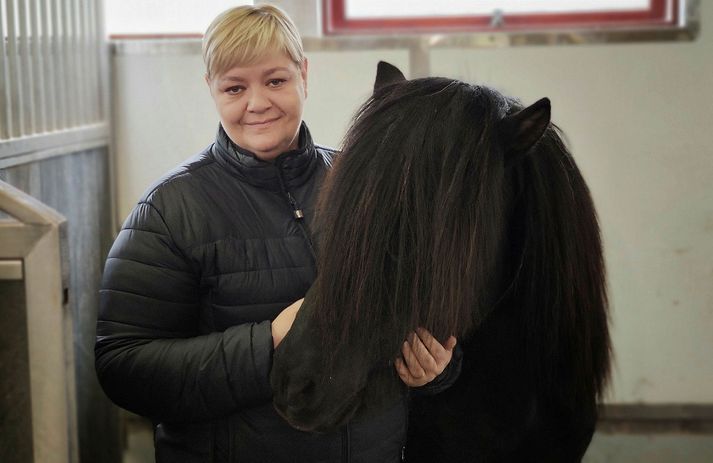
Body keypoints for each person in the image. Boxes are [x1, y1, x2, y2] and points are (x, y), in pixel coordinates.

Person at [95, 5, 459, 462]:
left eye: (275, 80)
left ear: (304, 75)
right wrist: (268, 341)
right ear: (211, 89)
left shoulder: (371, 188)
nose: (258, 103)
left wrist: (437, 368)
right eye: (234, 87)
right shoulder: (169, 210)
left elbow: (427, 312)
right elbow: (123, 368)